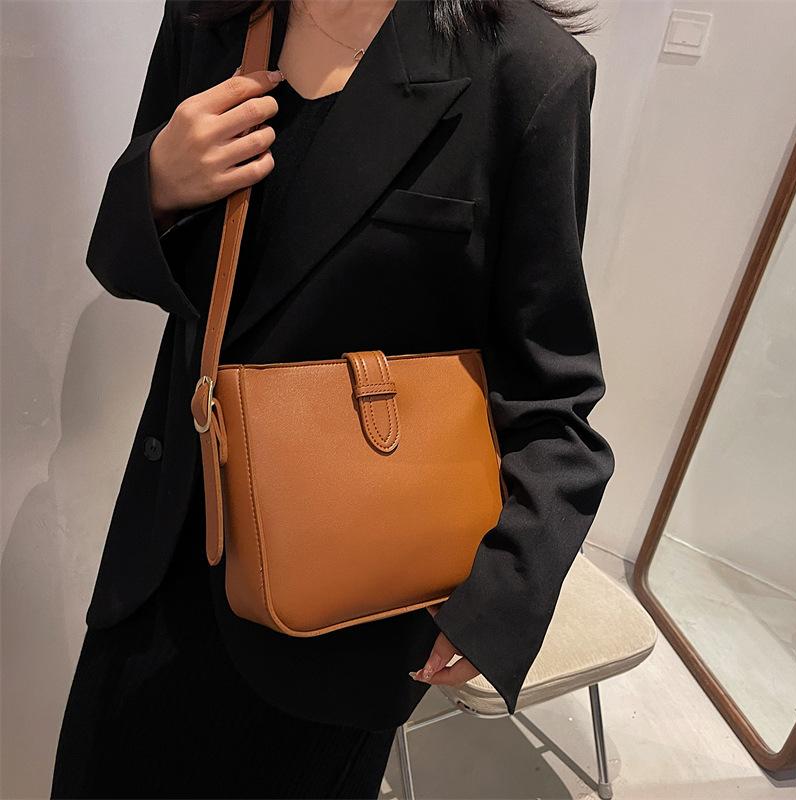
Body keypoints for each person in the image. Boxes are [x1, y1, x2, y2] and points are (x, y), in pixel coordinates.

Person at [51, 0, 615, 797]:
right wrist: (156, 185)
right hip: (164, 564)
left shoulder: (527, 74)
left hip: (343, 620)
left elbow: (552, 385)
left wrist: (502, 594)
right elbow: (125, 265)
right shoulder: (211, 17)